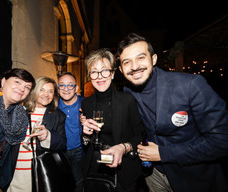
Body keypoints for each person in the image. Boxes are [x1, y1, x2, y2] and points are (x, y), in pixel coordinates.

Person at [116, 33, 228, 192]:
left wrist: (164, 153)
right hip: (153, 175)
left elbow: (222, 140)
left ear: (153, 59)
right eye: (127, 62)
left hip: (193, 177)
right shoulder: (128, 92)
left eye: (141, 58)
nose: (134, 66)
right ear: (121, 69)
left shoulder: (190, 86)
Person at [81, 48, 146, 192]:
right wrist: (85, 134)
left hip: (124, 172)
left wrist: (123, 147)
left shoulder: (127, 100)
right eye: (94, 72)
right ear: (90, 76)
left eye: (104, 70)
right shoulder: (86, 104)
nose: (99, 76)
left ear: (112, 74)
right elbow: (87, 143)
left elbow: (139, 135)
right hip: (96, 170)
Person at [7, 76, 67, 192]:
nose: (46, 94)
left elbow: (63, 144)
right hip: (16, 169)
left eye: (50, 91)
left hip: (39, 170)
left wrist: (48, 136)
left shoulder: (58, 116)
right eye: (42, 90)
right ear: (35, 91)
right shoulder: (19, 111)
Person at [57, 72, 84, 192]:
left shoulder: (86, 104)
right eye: (62, 85)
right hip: (59, 152)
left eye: (70, 85)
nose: (66, 89)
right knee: (61, 184)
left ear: (76, 88)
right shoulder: (53, 106)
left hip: (79, 151)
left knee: (78, 184)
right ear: (58, 89)